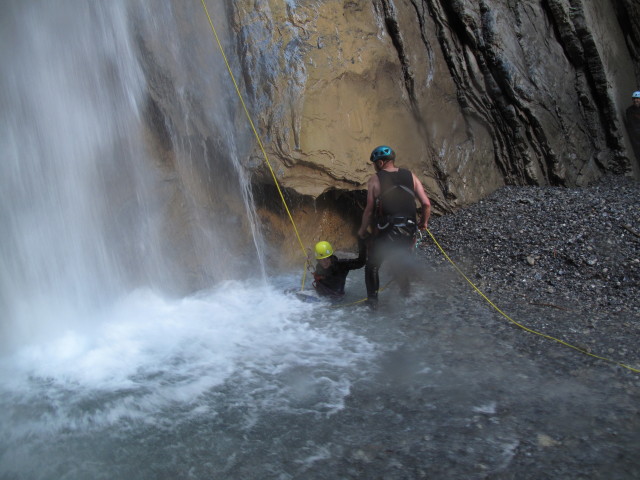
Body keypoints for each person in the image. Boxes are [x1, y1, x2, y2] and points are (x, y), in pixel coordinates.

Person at [357, 145, 431, 309]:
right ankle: (407, 296)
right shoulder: (411, 176)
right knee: (399, 260)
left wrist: (362, 231)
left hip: (388, 228)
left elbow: (369, 211)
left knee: (372, 265)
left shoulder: (375, 179)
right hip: (409, 228)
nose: (375, 166)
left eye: (375, 163)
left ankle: (372, 303)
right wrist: (423, 223)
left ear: (381, 162)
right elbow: (426, 204)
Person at [626, 91, 640, 161]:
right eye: (634, 98)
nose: (635, 100)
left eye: (637, 98)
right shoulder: (629, 110)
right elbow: (631, 125)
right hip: (636, 137)